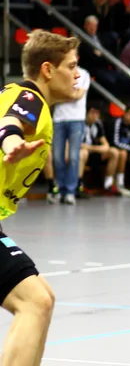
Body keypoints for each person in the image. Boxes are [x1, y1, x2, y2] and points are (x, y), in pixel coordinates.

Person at [0, 29, 81, 365]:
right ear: (48, 70)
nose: (78, 75)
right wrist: (10, 143)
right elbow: (7, 124)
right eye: (71, 66)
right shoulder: (30, 98)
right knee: (35, 300)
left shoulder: (21, 96)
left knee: (42, 297)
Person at [51, 65, 91, 204]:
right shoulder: (58, 72)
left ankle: (70, 191)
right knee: (57, 157)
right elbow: (53, 95)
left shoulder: (84, 73)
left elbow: (78, 95)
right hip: (58, 119)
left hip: (77, 119)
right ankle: (60, 189)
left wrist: (65, 94)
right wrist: (70, 94)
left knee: (74, 157)